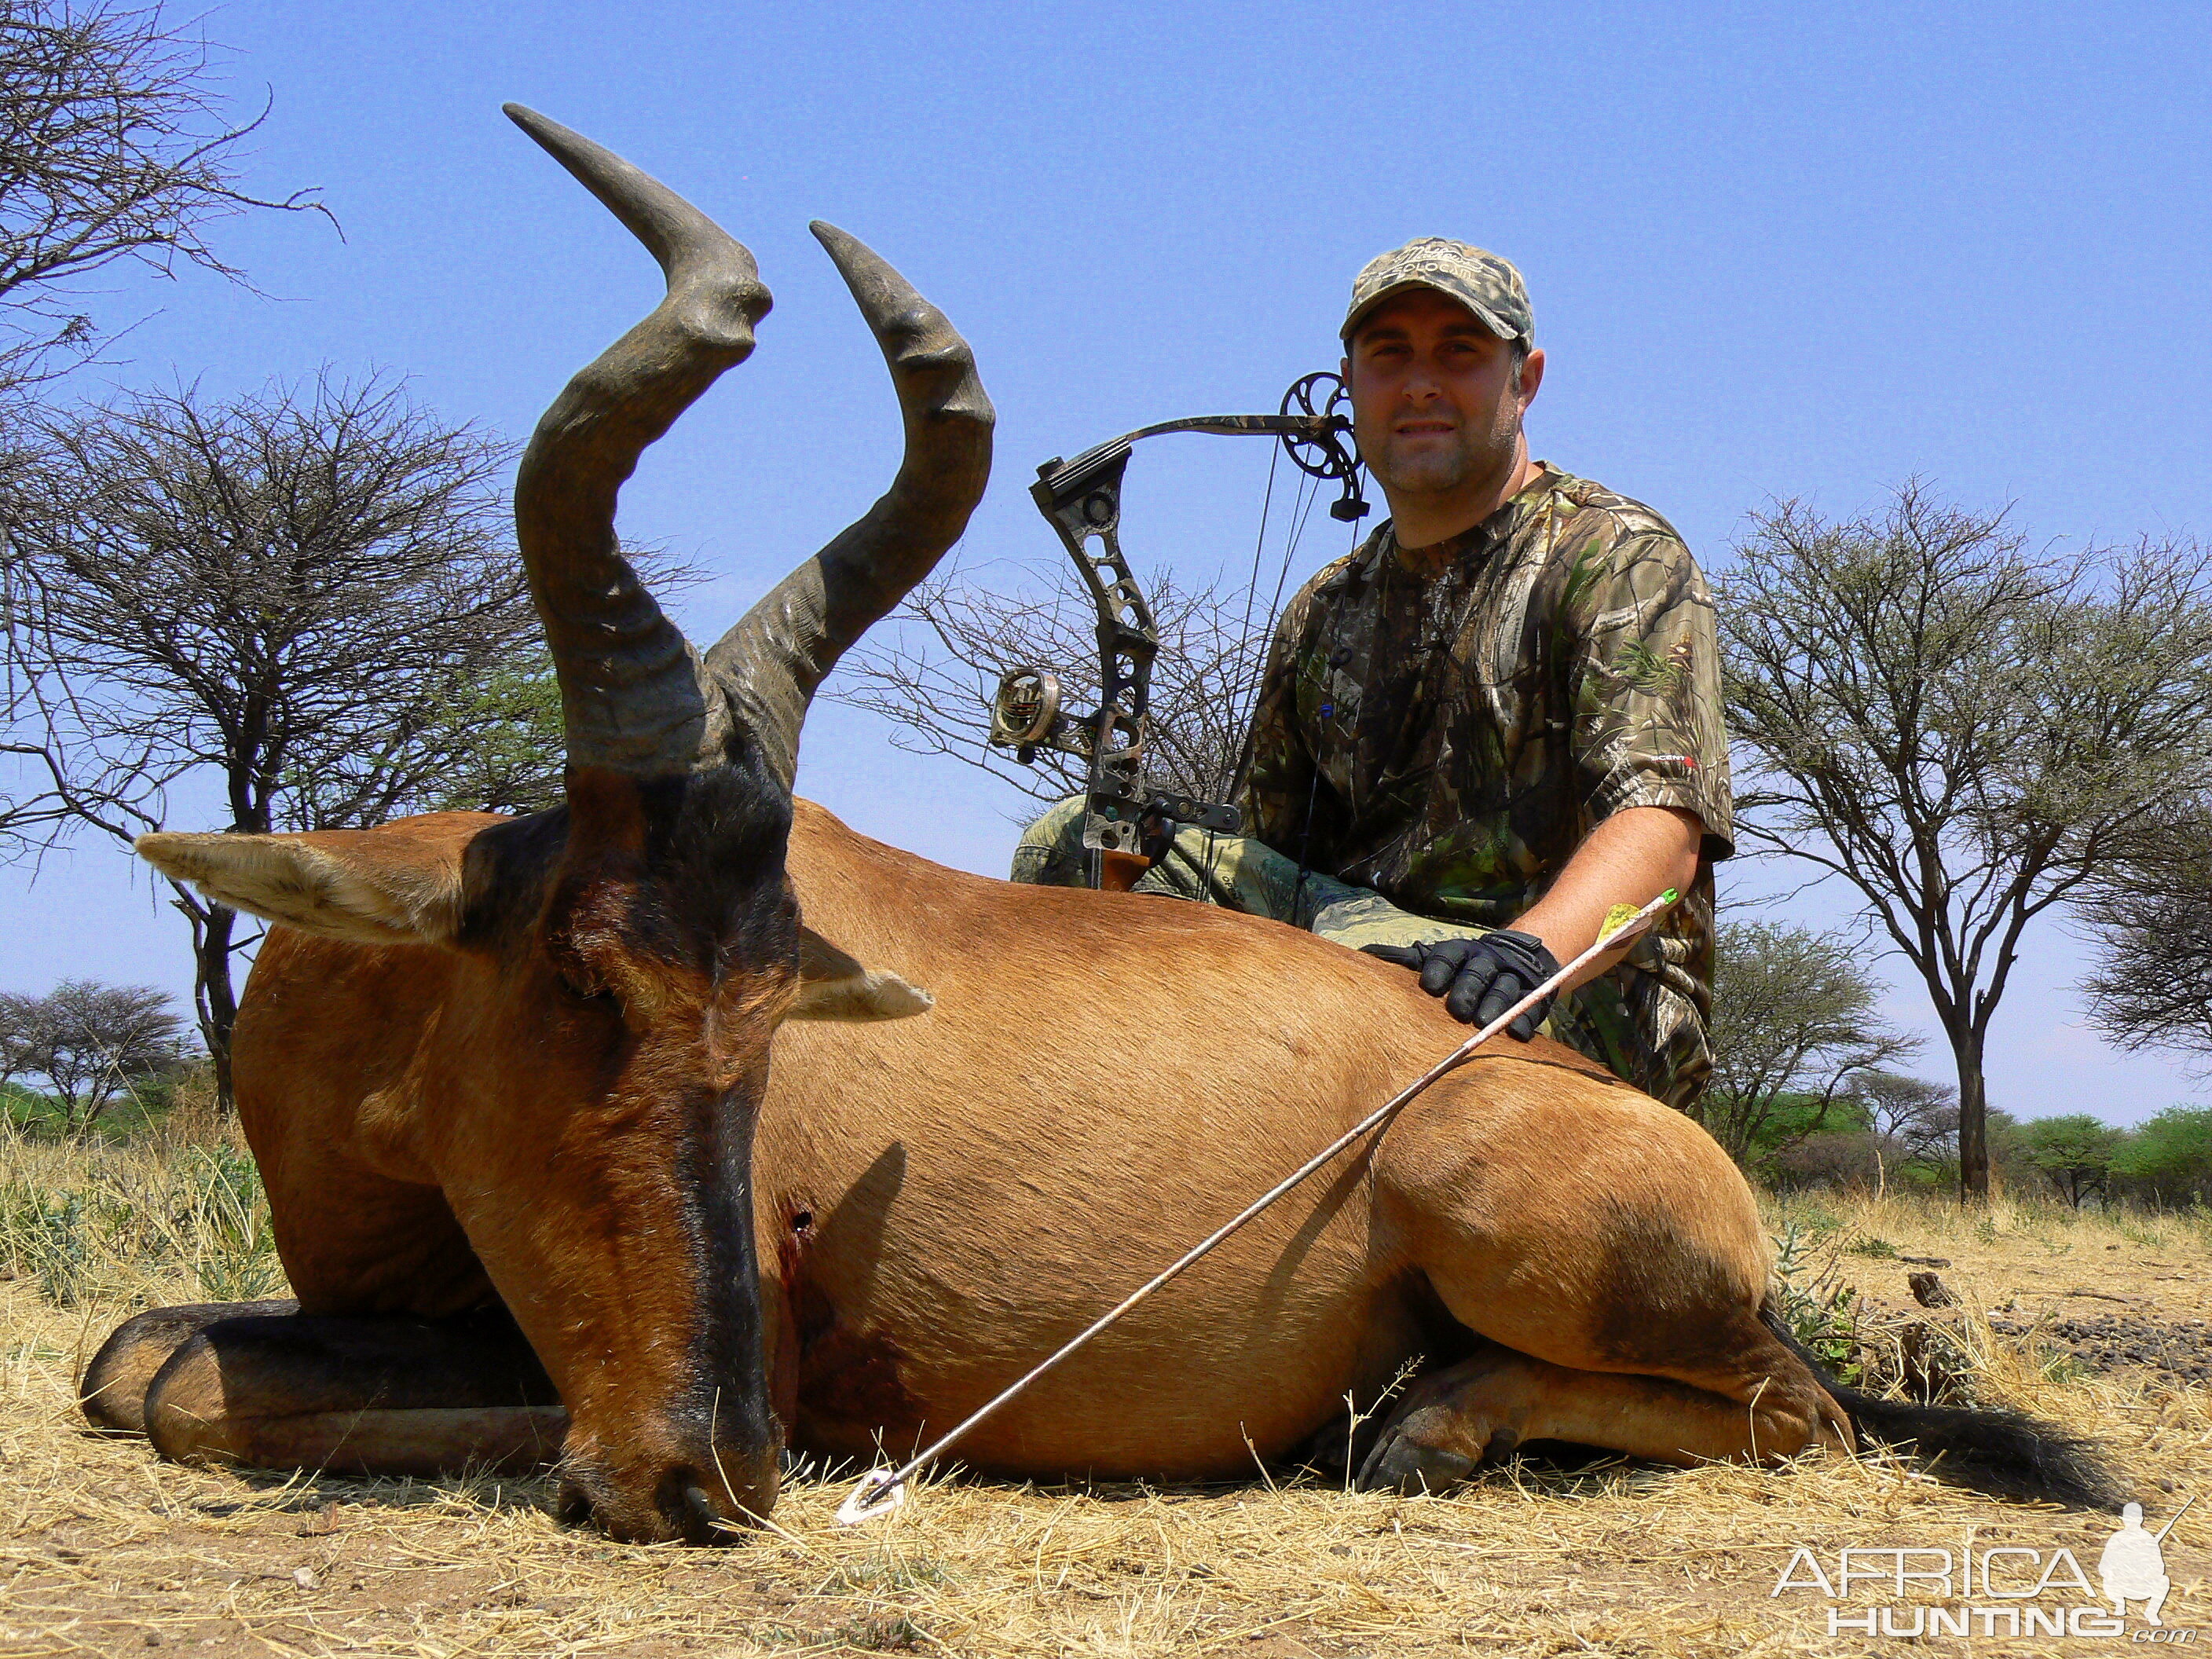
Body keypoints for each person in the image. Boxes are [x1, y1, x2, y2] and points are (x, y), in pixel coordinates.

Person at [1013, 238, 1731, 1111]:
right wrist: (1168, 846)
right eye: (1389, 354)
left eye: (1458, 352)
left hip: (1564, 990)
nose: (1420, 383)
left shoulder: (1617, 557)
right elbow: (1273, 851)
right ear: (1348, 385)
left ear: (1524, 378)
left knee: (1353, 973)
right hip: (1359, 954)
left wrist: (1528, 952)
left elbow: (1661, 827)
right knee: (1077, 842)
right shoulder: (1324, 607)